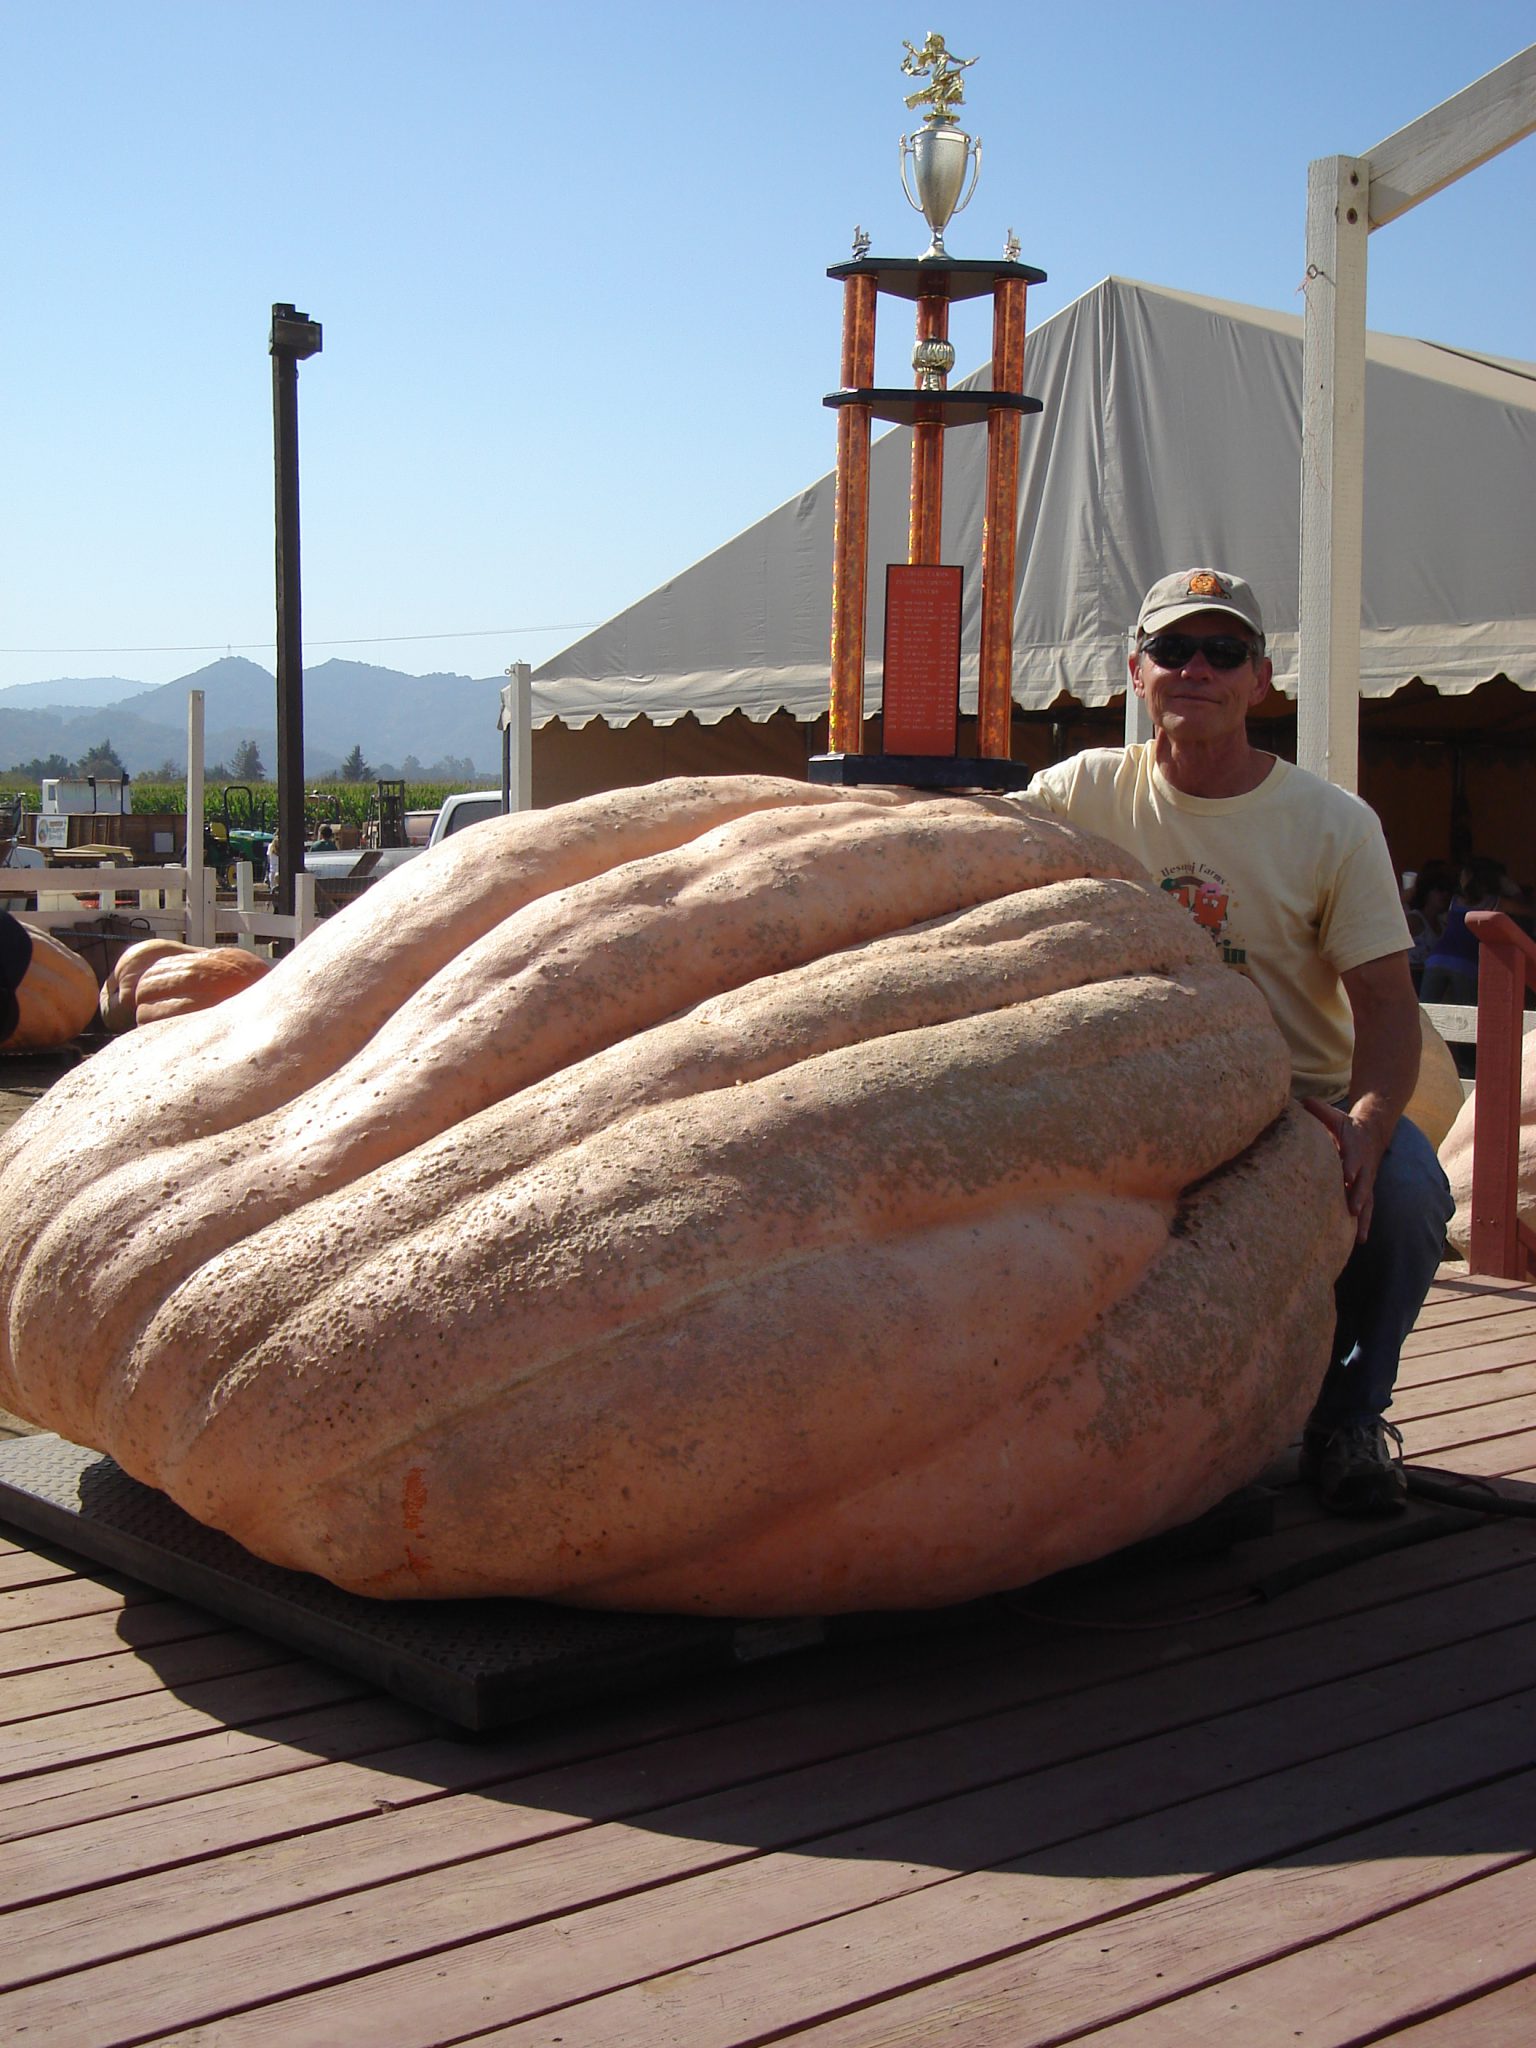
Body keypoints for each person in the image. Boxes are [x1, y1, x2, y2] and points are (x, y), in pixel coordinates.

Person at [1021, 567, 1453, 1516]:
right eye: (1174, 650)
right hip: (1128, 1091)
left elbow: (1385, 1006)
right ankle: (1069, 1434)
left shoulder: (1334, 825)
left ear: (1262, 679)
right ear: (1137, 671)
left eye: (1223, 653)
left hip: (1296, 1103)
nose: (1197, 671)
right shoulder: (1078, 792)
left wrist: (1370, 1128)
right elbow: (977, 863)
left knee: (1415, 1193)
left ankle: (1348, 1418)